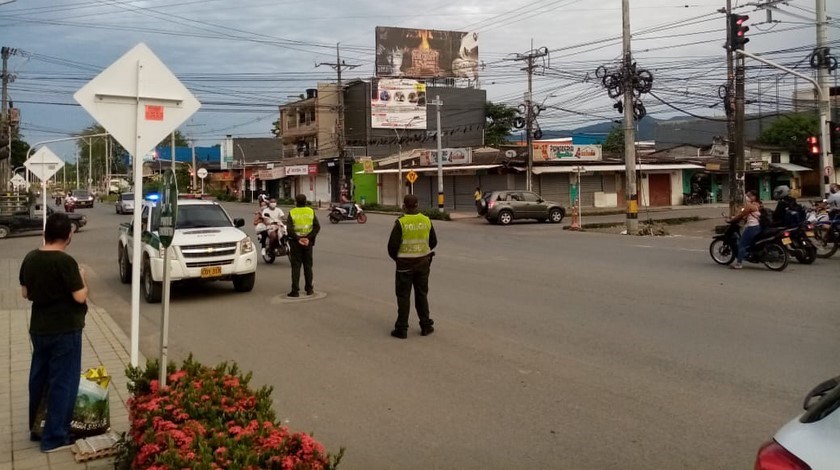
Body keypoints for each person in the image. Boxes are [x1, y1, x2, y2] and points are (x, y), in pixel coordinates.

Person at [19, 212, 88, 452]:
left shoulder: (30, 258)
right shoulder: (64, 262)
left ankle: (37, 429)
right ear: (68, 236)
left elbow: (25, 293)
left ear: (45, 233)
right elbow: (79, 297)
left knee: (39, 379)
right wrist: (82, 278)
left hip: (39, 327)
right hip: (65, 329)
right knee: (63, 382)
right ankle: (55, 436)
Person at [387, 194, 438, 338]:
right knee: (422, 295)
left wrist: (399, 259)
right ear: (417, 205)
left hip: (404, 266)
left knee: (403, 297)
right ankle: (426, 325)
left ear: (404, 206)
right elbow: (433, 241)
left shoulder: (401, 223)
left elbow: (392, 247)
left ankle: (402, 329)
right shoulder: (426, 220)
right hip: (423, 264)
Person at [286, 194, 320, 297]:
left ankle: (295, 291)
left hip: (296, 243)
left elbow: (289, 229)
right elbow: (317, 227)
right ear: (305, 201)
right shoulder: (310, 211)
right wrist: (308, 238)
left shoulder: (292, 212)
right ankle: (309, 289)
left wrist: (298, 238)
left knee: (296, 266)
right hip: (307, 243)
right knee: (308, 266)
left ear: (296, 201)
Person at [727, 190, 762, 270]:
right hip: (758, 226)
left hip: (752, 227)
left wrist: (731, 220)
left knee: (741, 245)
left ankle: (739, 264)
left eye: (749, 195)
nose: (746, 197)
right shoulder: (759, 204)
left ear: (754, 197)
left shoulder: (749, 206)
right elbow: (746, 215)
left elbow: (741, 215)